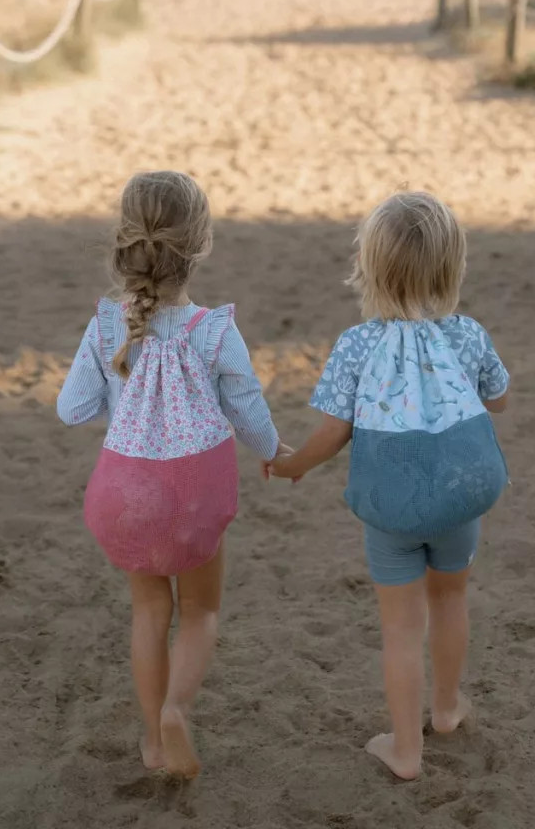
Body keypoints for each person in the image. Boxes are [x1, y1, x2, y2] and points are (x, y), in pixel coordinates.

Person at [266, 192, 509, 780]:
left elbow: (334, 432)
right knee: (450, 600)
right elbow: (499, 399)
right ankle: (446, 709)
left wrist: (294, 465)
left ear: (370, 267)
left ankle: (405, 750)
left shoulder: (357, 345)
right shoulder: (467, 334)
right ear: (452, 266)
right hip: (458, 498)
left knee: (401, 629)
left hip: (391, 508)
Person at [57, 171, 289, 779]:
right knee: (201, 612)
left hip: (127, 494)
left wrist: (125, 402)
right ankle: (176, 710)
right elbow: (247, 408)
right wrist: (274, 450)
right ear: (201, 244)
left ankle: (153, 744)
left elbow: (71, 408)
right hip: (194, 494)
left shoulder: (107, 326)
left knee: (148, 612)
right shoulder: (213, 330)